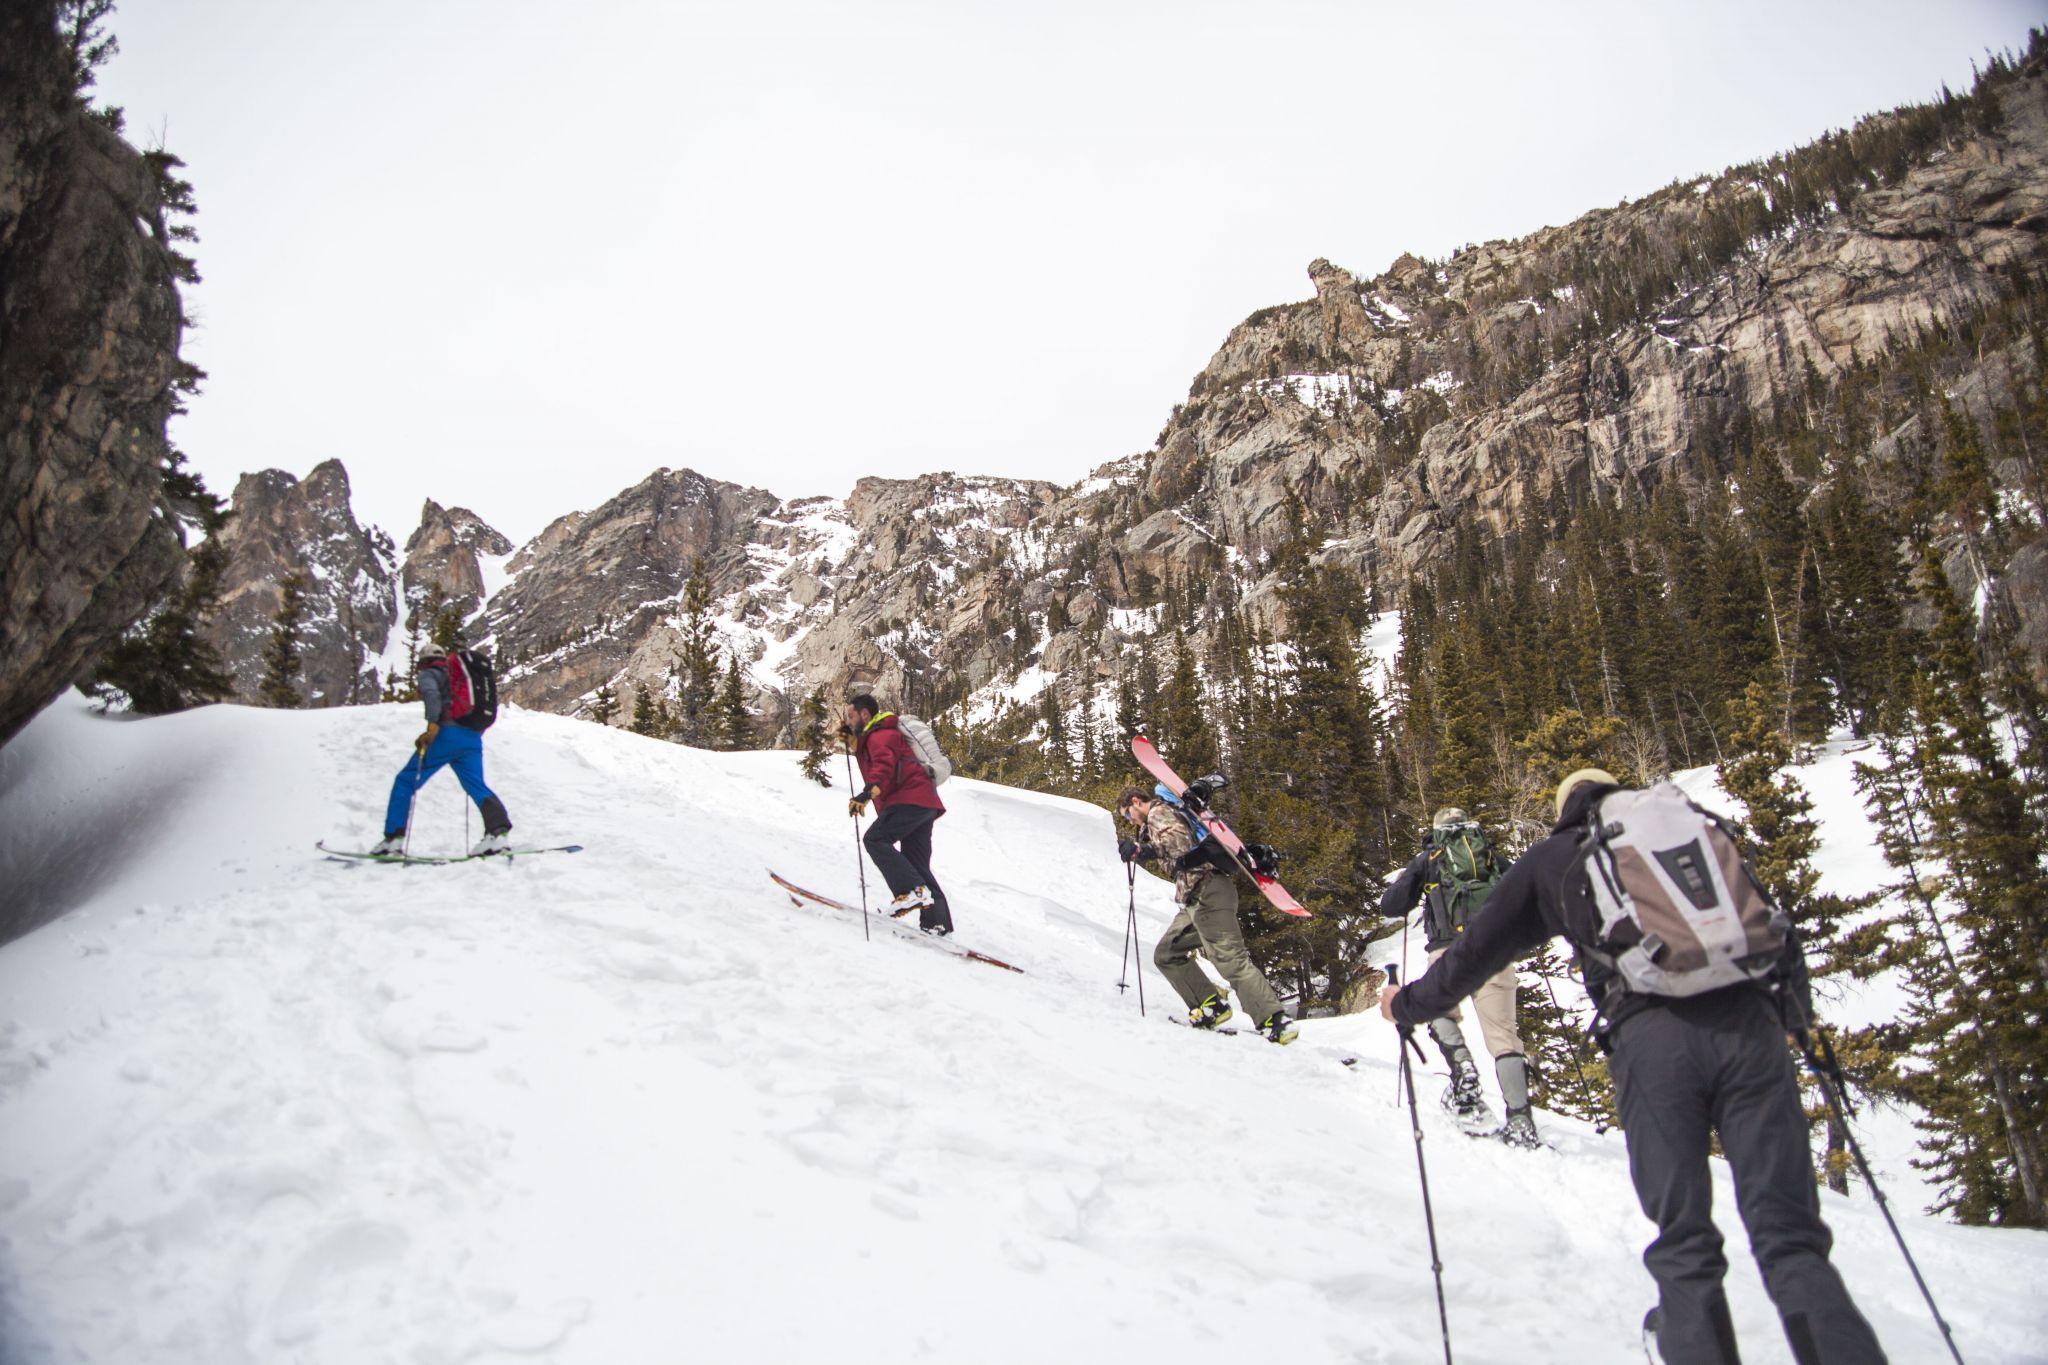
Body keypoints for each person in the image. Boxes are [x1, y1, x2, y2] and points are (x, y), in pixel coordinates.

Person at [1380, 769, 1886, 1365]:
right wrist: (1796, 1023)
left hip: (1653, 1042)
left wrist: (1407, 1004)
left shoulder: (1559, 856)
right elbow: (1770, 924)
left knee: (1685, 1243)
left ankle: (1688, 1337)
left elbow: (1474, 952)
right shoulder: (1688, 827)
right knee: (1794, 1242)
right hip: (1752, 1032)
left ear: (1566, 808)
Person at [1381, 806, 1538, 1147]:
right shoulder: (1489, 856)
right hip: (1495, 951)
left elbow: (1391, 905)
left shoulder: (1430, 858)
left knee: (1438, 1011)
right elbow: (1522, 894)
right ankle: (1521, 1120)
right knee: (1504, 1037)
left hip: (1449, 951)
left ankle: (1463, 1069)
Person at [1117, 785, 1297, 1045]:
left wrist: (1141, 852)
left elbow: (1179, 842)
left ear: (1136, 802)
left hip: (1208, 893)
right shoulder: (1159, 819)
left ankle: (1274, 1019)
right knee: (1167, 953)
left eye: (1127, 814)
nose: (1129, 819)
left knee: (1230, 959)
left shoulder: (1158, 813)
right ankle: (1210, 1005)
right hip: (1195, 900)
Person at [369, 649, 513, 857]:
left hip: (447, 734)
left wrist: (432, 726)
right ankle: (497, 834)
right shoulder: (458, 675)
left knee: (405, 780)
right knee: (476, 785)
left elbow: (432, 695)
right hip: (472, 738)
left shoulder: (430, 673)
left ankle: (393, 839)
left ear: (424, 662)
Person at [843, 694, 953, 936]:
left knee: (875, 839)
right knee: (917, 864)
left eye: (851, 716)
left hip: (908, 800)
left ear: (865, 715)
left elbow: (884, 765)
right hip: (924, 802)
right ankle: (937, 923)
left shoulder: (880, 734)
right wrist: (853, 740)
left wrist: (866, 794)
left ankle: (910, 891)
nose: (848, 721)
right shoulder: (879, 734)